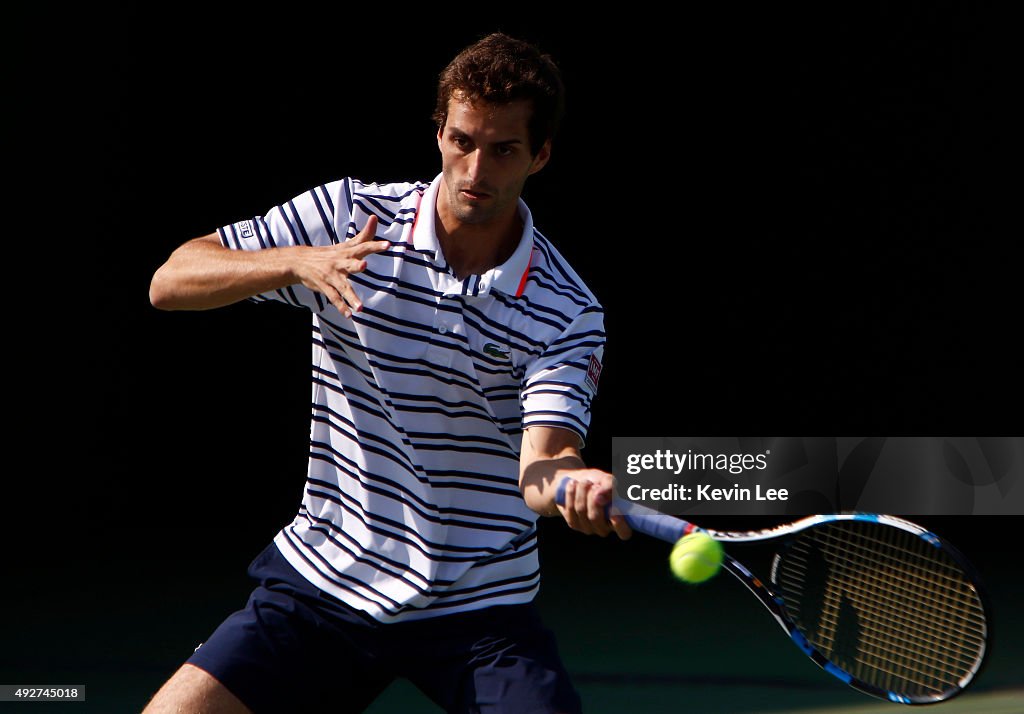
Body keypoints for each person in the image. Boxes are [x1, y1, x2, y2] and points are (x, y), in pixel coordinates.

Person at [144, 32, 630, 714]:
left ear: (540, 156)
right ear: (438, 133)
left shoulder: (564, 309)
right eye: (461, 140)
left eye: (503, 150)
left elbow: (541, 468)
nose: (474, 169)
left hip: (478, 609)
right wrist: (296, 262)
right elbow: (170, 281)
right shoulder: (348, 218)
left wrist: (573, 482)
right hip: (326, 583)